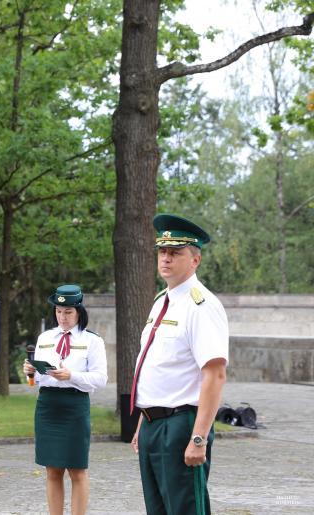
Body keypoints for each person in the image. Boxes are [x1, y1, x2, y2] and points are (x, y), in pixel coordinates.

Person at [130, 214, 229, 515]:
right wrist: (141, 422)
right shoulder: (162, 301)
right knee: (157, 509)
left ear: (195, 260)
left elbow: (215, 374)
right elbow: (156, 365)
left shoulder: (201, 305)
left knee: (186, 509)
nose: (167, 258)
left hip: (182, 424)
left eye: (176, 253)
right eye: (163, 251)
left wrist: (198, 438)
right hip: (152, 424)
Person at [23, 284, 107, 515]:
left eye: (68, 312)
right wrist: (31, 372)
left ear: (79, 311)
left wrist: (72, 376)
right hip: (48, 406)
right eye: (59, 311)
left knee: (77, 469)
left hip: (75, 406)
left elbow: (100, 379)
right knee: (52, 470)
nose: (63, 317)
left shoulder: (92, 341)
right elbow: (38, 379)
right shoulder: (45, 337)